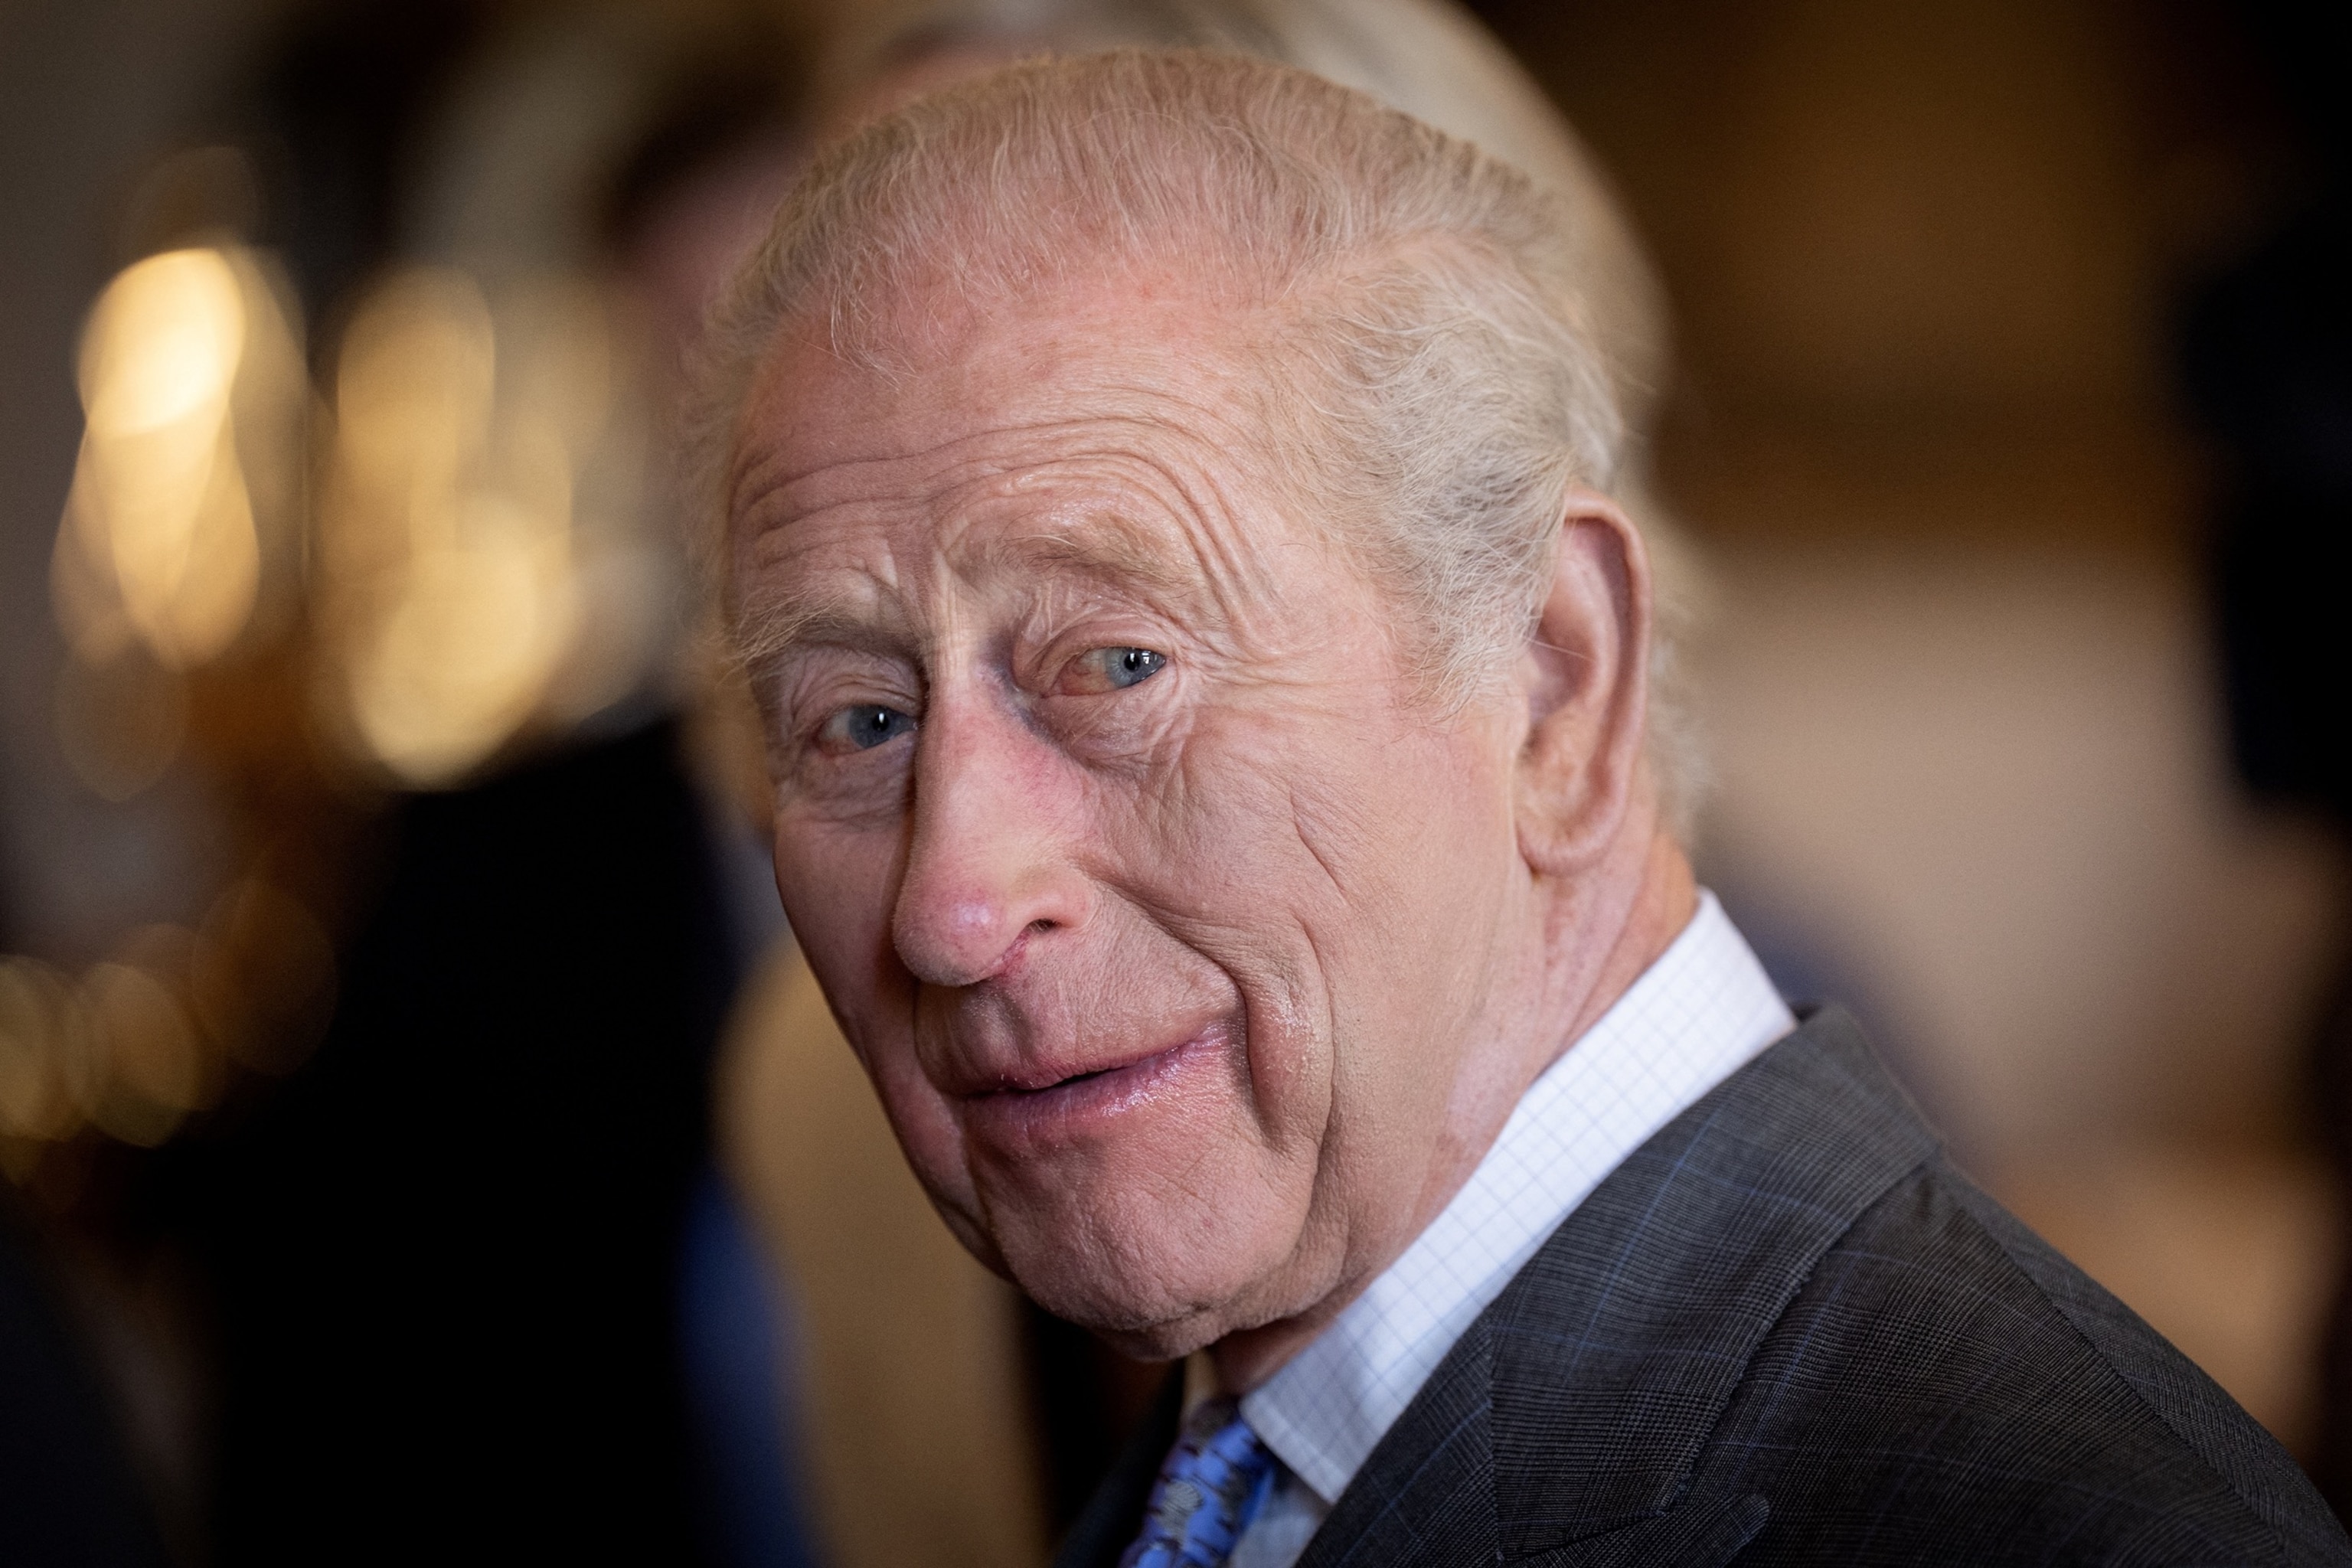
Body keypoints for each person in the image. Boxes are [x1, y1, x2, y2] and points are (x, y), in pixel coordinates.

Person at [704, 51, 2352, 1566]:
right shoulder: (1229, 1456)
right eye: (859, 718)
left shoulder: (2053, 1534)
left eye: (1119, 663)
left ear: (1557, 681)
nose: (950, 903)